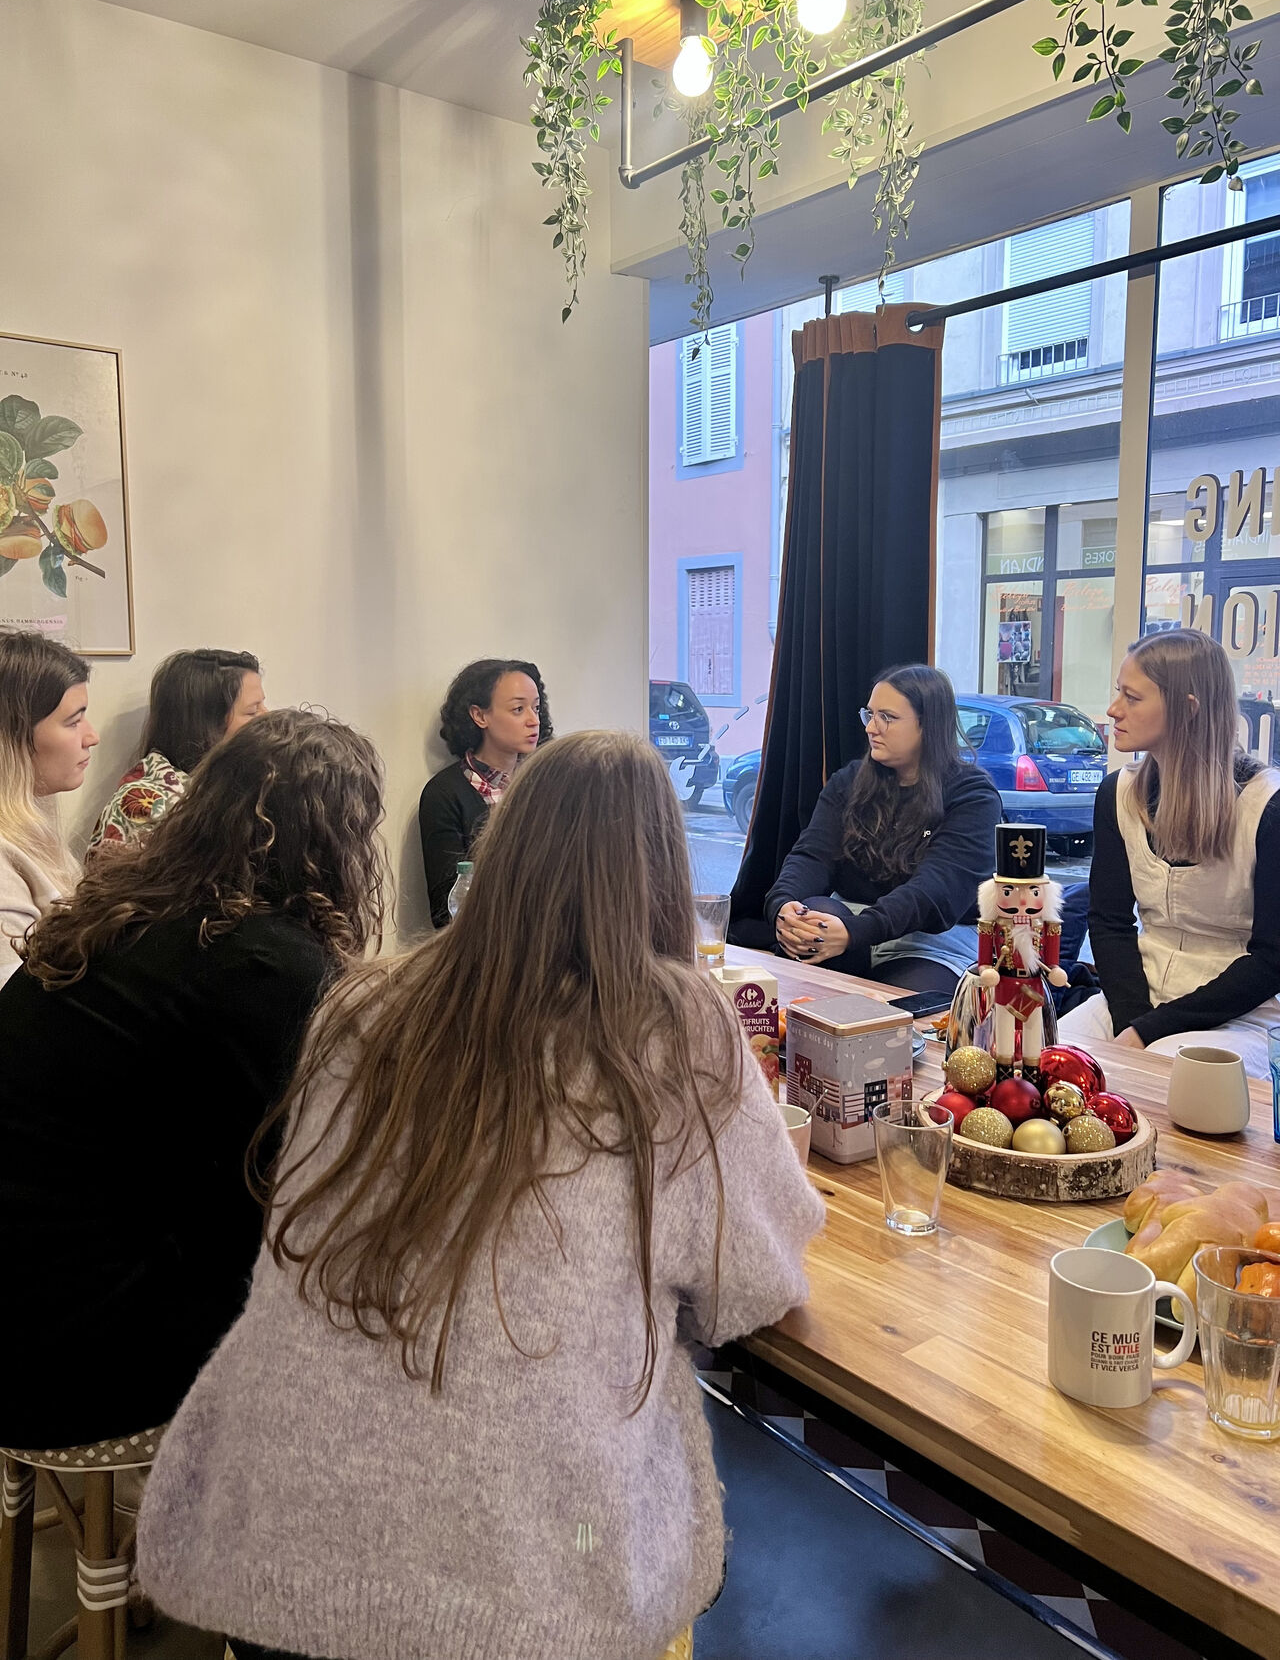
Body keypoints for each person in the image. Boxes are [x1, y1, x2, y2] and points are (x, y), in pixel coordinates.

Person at [138, 731, 823, 1660]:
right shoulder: (676, 1024)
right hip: (526, 1584)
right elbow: (757, 1280)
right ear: (661, 869)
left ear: (503, 850)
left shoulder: (362, 1002)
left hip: (281, 1541)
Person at [0, 709, 385, 1449]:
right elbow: (304, 1173)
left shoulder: (121, 909)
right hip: (73, 1356)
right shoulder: (264, 961)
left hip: (22, 1299)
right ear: (336, 841)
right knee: (356, 1287)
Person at [1060, 629, 1280, 1078]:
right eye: (1117, 693)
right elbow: (1110, 923)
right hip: (1137, 998)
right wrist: (1132, 1021)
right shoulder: (1118, 793)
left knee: (1159, 1077)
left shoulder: (1267, 806)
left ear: (1188, 708)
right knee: (1047, 1061)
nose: (1113, 710)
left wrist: (1148, 1032)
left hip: (1241, 1018)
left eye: (1132, 698)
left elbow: (1272, 960)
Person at [766, 664, 1002, 995]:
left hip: (929, 941)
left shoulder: (972, 796)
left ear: (927, 725)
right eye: (870, 714)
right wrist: (783, 905)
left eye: (886, 717)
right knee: (815, 917)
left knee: (893, 1020)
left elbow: (934, 892)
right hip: (846, 927)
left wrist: (857, 931)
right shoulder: (848, 781)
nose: (871, 728)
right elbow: (811, 856)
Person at [417, 657, 551, 927]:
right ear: (479, 715)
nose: (533, 720)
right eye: (518, 709)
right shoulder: (444, 794)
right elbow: (446, 909)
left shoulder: (548, 783)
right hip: (488, 948)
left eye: (536, 708)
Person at [89, 646, 266, 850]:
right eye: (253, 711)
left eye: (263, 705)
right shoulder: (145, 806)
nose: (267, 716)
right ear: (205, 724)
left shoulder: (240, 781)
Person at [0, 630, 98, 985]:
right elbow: (14, 1009)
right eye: (73, 722)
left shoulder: (30, 825)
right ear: (11, 737)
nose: (92, 736)